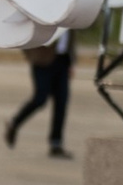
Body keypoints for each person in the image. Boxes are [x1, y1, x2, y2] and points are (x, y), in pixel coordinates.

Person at [6, 26, 73, 159]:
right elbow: (27, 33)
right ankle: (14, 123)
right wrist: (31, 56)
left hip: (63, 61)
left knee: (61, 102)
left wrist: (72, 62)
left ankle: (56, 143)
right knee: (40, 98)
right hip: (43, 61)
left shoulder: (70, 14)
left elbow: (71, 37)